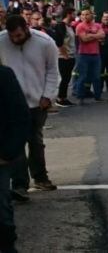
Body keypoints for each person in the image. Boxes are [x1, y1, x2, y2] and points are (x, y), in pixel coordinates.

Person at [0, 16, 60, 203]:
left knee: (35, 140)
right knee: (16, 144)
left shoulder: (45, 42)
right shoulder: (1, 40)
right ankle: (19, 184)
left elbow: (52, 70)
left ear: (26, 29)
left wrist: (48, 95)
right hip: (12, 104)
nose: (15, 40)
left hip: (37, 101)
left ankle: (40, 177)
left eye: (18, 35)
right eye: (12, 36)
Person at [0, 62, 30, 253]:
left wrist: (7, 153)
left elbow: (21, 117)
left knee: (1, 210)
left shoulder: (3, 76)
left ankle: (7, 246)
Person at [74, 9, 106, 103]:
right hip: (83, 54)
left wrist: (90, 35)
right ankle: (80, 97)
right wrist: (96, 35)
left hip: (95, 54)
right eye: (83, 15)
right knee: (82, 76)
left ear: (92, 15)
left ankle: (98, 96)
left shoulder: (97, 25)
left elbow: (103, 35)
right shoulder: (80, 26)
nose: (84, 16)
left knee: (96, 76)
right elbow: (84, 39)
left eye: (87, 14)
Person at [51, 10, 77, 107]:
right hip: (63, 57)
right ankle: (59, 98)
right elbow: (59, 41)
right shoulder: (61, 26)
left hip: (71, 55)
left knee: (67, 77)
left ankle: (64, 97)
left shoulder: (70, 27)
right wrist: (64, 54)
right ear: (68, 14)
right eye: (73, 14)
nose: (75, 16)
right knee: (64, 77)